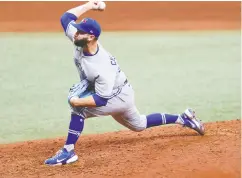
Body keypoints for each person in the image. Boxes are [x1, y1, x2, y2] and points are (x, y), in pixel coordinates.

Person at [44, 1, 205, 166]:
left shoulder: (101, 66)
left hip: (118, 96)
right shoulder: (80, 39)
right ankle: (183, 118)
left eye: (80, 32)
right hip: (118, 89)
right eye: (76, 30)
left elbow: (101, 100)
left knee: (79, 109)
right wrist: (89, 5)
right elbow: (66, 18)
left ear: (91, 37)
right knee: (139, 124)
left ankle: (68, 151)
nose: (75, 33)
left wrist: (76, 101)